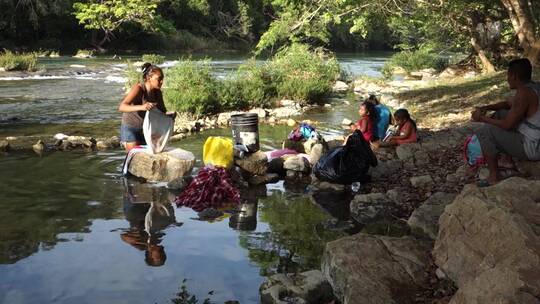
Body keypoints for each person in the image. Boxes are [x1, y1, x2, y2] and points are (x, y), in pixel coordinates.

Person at [471, 58, 540, 185]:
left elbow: (507, 125)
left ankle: (494, 177)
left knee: (484, 131)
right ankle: (507, 161)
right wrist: (486, 108)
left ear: (513, 76)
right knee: (500, 114)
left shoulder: (524, 93)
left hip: (533, 147)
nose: (507, 78)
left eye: (507, 75)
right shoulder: (534, 87)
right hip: (536, 138)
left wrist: (481, 118)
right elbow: (507, 104)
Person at [118, 63, 173, 152]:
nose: (162, 81)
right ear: (149, 78)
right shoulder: (139, 88)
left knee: (148, 158)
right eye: (159, 79)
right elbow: (122, 107)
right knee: (134, 158)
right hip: (131, 128)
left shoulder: (157, 92)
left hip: (146, 130)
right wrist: (142, 107)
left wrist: (170, 116)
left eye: (162, 79)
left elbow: (162, 111)